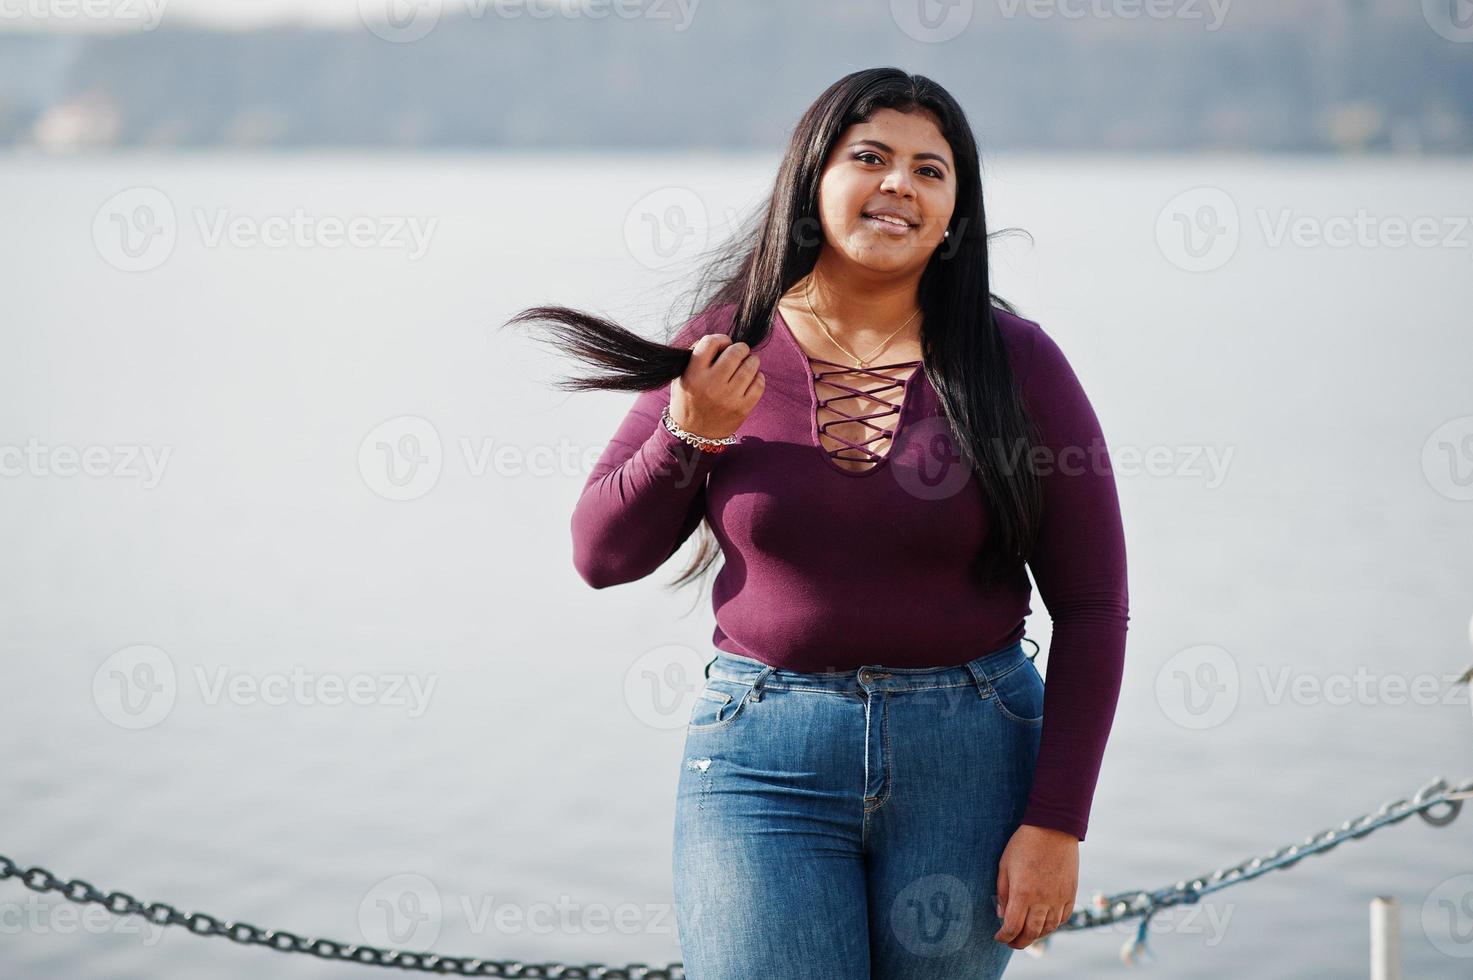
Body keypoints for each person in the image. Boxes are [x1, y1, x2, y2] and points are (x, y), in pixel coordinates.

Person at [509, 67, 1129, 980]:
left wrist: (1056, 823)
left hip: (972, 756)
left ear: (955, 212)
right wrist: (692, 435)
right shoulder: (723, 345)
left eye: (931, 171)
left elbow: (1092, 604)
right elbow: (601, 555)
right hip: (764, 754)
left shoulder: (1017, 364)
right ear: (812, 181)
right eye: (869, 157)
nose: (898, 186)